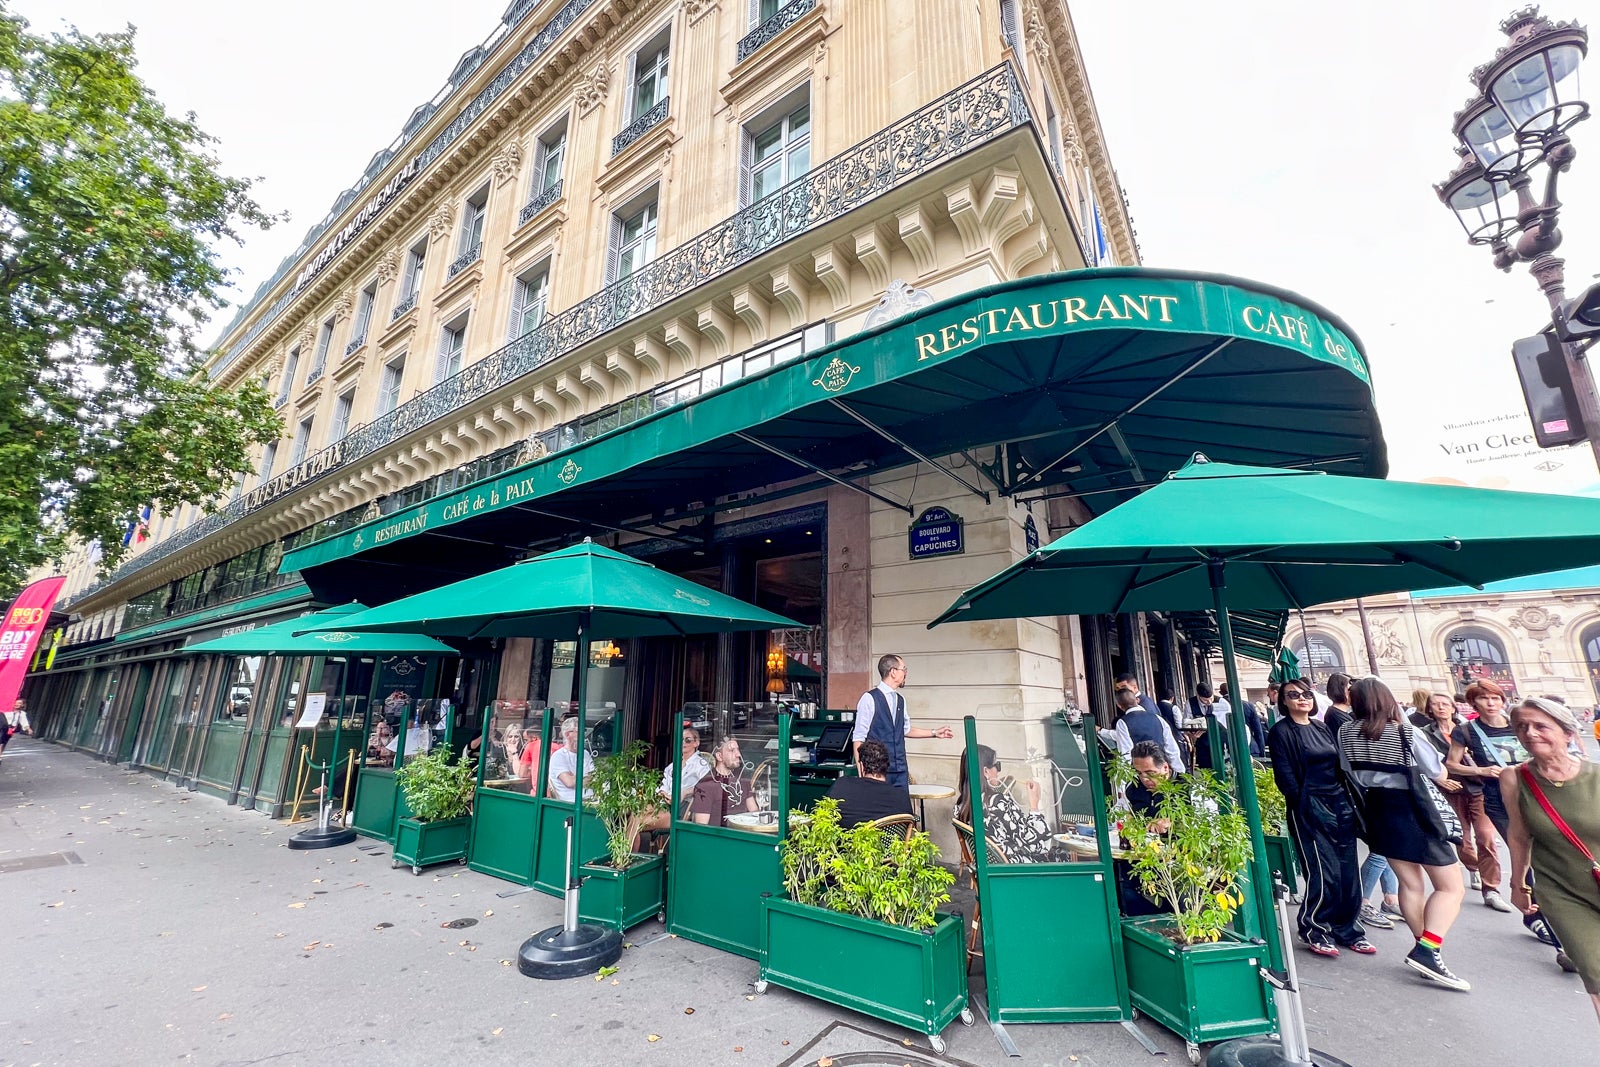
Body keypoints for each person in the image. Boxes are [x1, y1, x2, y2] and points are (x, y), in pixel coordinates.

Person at [1338, 677, 1469, 991]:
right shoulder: (1404, 731)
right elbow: (1438, 772)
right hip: (1414, 809)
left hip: (1378, 810)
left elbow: (1348, 770)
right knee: (1451, 888)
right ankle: (1428, 949)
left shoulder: (1345, 732)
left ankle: (1425, 949)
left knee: (1410, 883)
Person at [1502, 697, 1600, 1021]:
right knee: (1596, 971)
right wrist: (1518, 885)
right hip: (1563, 891)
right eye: (1522, 727)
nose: (1530, 733)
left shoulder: (1597, 777)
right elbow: (1518, 835)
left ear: (1568, 733)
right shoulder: (1514, 778)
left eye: (1541, 726)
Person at [1269, 680, 1371, 957]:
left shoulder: (1321, 727)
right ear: (1283, 701)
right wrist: (1301, 804)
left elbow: (1341, 765)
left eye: (1305, 694)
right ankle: (1315, 927)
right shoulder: (1281, 732)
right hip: (1308, 804)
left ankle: (1347, 927)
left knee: (1348, 868)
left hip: (1339, 801)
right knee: (1322, 869)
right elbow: (1285, 775)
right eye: (1293, 695)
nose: (1301, 699)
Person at [1446, 680, 1519, 913]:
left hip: (1528, 794)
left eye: (1495, 698)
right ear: (1473, 703)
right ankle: (1492, 889)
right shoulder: (1466, 730)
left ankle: (1529, 894)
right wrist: (1481, 770)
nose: (1490, 703)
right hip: (1491, 795)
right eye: (1484, 698)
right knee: (1489, 839)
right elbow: (1452, 764)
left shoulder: (1519, 724)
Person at [1417, 691, 1495, 895]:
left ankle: (1491, 886)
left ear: (1453, 707)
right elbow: (1424, 762)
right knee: (1463, 837)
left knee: (1486, 835)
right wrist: (1439, 780)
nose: (1441, 707)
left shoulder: (1469, 729)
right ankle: (1474, 868)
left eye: (1445, 703)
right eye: (1436, 704)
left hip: (1477, 786)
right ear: (1430, 709)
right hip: (1449, 788)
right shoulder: (1424, 733)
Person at [852, 654, 952, 788]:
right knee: (881, 808)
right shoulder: (869, 698)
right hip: (877, 770)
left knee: (902, 807)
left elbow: (906, 729)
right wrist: (862, 771)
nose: (905, 673)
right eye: (903, 669)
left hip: (900, 769)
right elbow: (859, 736)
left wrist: (934, 733)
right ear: (893, 672)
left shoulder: (900, 700)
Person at [956, 744, 1059, 863]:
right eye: (997, 766)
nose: (999, 772)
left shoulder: (960, 806)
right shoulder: (998, 802)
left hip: (992, 871)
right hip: (1017, 870)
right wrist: (1034, 804)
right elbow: (1031, 840)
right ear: (986, 771)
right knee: (1063, 858)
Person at [825, 740, 912, 826]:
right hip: (888, 840)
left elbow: (822, 817)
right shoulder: (902, 797)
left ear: (862, 766)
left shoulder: (841, 785)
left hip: (849, 839)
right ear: (887, 767)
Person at [643, 725, 713, 831]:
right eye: (681, 740)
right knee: (635, 814)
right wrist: (662, 793)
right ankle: (628, 847)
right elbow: (663, 785)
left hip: (679, 809)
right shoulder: (672, 766)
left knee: (637, 820)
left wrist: (684, 793)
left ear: (696, 743)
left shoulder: (701, 765)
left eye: (688, 740)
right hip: (663, 803)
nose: (683, 742)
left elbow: (706, 787)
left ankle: (624, 848)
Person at [1107, 686, 1187, 773]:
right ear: (1137, 700)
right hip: (1161, 769)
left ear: (1119, 706)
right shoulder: (1158, 718)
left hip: (1141, 773)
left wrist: (1123, 784)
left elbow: (1125, 754)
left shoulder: (1122, 722)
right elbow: (1172, 749)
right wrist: (1180, 772)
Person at [690, 735, 759, 827]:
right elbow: (701, 828)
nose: (738, 754)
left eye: (738, 749)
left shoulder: (742, 778)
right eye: (731, 750)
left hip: (743, 835)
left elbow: (754, 812)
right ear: (719, 756)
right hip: (720, 838)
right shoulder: (706, 785)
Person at [547, 715, 594, 803]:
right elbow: (569, 782)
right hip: (571, 804)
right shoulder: (559, 756)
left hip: (591, 800)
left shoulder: (585, 753)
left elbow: (596, 778)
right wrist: (587, 776)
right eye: (580, 731)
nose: (584, 735)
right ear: (567, 734)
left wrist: (576, 777)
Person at [1218, 682, 1265, 757]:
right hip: (1250, 747)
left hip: (1226, 749)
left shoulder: (1218, 707)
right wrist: (1261, 751)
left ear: (1220, 692)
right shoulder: (1248, 705)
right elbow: (1258, 731)